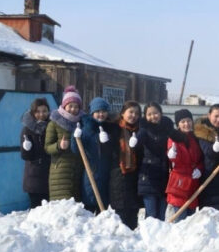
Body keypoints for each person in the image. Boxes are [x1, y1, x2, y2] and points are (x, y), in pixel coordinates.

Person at [71, 97, 115, 214]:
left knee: (103, 209)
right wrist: (75, 138)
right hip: (91, 172)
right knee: (89, 206)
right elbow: (76, 151)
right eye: (98, 112)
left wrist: (108, 141)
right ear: (92, 113)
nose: (101, 114)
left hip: (106, 173)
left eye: (104, 111)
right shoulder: (86, 128)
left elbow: (113, 151)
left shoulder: (110, 127)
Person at [107, 101, 143, 229]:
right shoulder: (114, 129)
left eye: (137, 113)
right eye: (131, 112)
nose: (133, 115)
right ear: (122, 113)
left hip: (135, 177)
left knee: (133, 214)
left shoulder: (140, 131)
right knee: (120, 215)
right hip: (118, 175)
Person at [45, 85, 84, 201]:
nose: (73, 109)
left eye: (76, 106)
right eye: (70, 106)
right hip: (60, 172)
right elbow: (47, 147)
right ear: (64, 106)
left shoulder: (81, 123)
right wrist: (59, 146)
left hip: (77, 171)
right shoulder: (54, 123)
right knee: (62, 209)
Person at [194, 104, 219, 214]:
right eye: (216, 116)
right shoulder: (202, 132)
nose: (218, 120)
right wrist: (217, 155)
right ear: (209, 115)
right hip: (209, 176)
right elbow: (207, 153)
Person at [136, 102, 174, 220]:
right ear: (145, 116)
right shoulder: (144, 129)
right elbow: (137, 145)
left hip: (164, 176)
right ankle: (149, 237)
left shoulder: (167, 129)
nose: (153, 116)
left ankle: (160, 238)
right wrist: (135, 141)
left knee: (162, 215)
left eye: (155, 113)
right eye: (149, 114)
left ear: (161, 113)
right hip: (149, 177)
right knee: (151, 215)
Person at [166, 109, 204, 221]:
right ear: (178, 124)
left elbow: (200, 159)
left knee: (189, 223)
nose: (186, 124)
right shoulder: (174, 138)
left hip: (193, 185)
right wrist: (172, 154)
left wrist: (200, 169)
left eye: (188, 121)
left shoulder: (195, 138)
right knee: (179, 223)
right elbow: (173, 159)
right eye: (183, 122)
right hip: (179, 186)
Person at [20, 98, 51, 208]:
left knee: (48, 210)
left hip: (49, 174)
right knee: (36, 208)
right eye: (38, 111)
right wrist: (26, 148)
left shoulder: (51, 127)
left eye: (44, 111)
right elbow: (25, 156)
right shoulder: (27, 129)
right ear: (33, 113)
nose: (41, 114)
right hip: (34, 175)